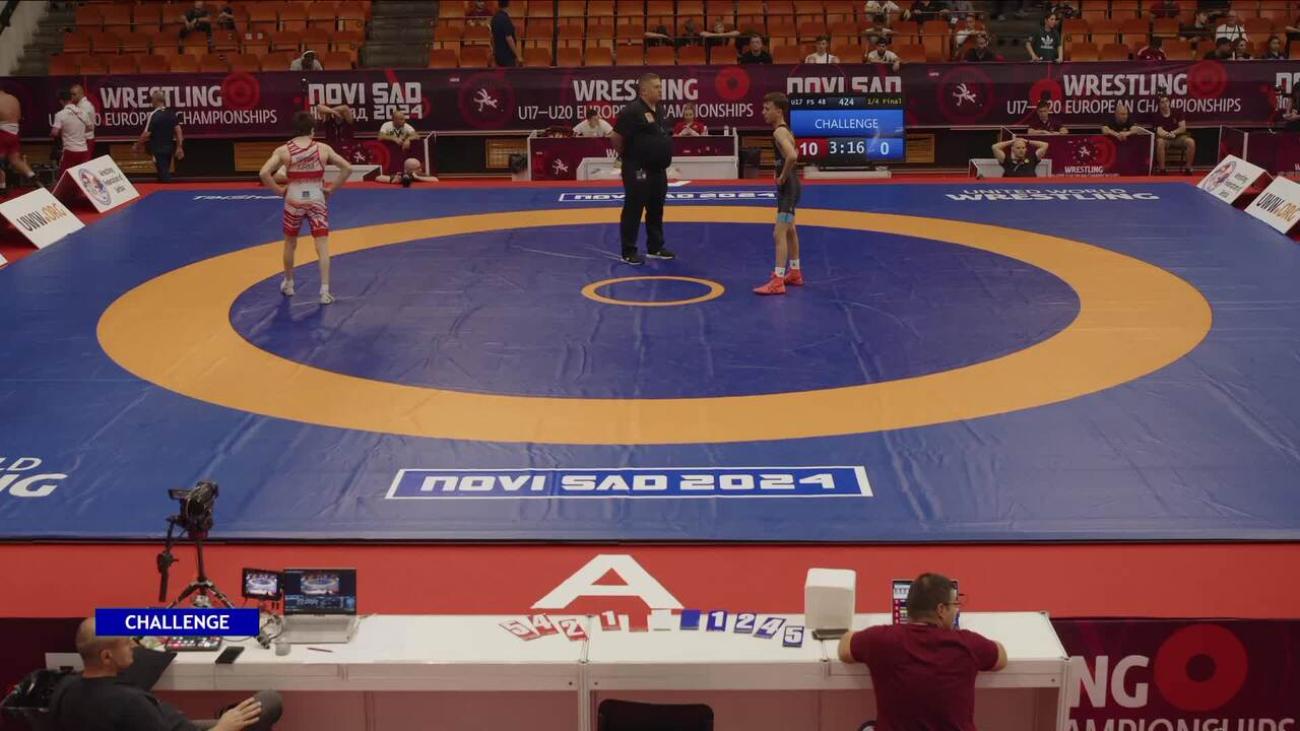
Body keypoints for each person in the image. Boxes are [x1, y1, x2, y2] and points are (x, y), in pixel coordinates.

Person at [837, 574, 1008, 731]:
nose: (956, 609)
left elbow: (844, 648)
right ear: (941, 610)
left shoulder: (881, 639)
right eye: (954, 605)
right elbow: (1001, 657)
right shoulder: (968, 644)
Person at [50, 617, 281, 731]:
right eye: (126, 643)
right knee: (270, 701)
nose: (133, 646)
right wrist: (223, 727)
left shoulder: (65, 690)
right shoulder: (130, 704)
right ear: (106, 657)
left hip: (173, 724)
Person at [259, 111, 352, 305]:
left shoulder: (283, 150)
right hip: (316, 197)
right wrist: (331, 189)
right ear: (312, 130)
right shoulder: (323, 148)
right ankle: (325, 291)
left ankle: (289, 283)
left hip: (294, 198)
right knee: (322, 245)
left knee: (290, 243)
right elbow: (347, 168)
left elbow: (264, 173)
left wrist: (278, 191)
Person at [611, 72, 676, 265]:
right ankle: (628, 250)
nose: (660, 90)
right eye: (656, 87)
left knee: (656, 207)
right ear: (644, 90)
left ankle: (655, 247)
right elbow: (616, 137)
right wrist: (629, 156)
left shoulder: (660, 110)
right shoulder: (632, 111)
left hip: (658, 169)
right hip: (638, 169)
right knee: (634, 207)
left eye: (660, 86)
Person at [753, 92, 803, 296]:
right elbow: (793, 153)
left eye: (767, 109)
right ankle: (795, 272)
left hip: (788, 188)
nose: (763, 112)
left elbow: (792, 156)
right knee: (790, 230)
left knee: (779, 233)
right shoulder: (785, 130)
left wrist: (782, 176)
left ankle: (778, 281)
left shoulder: (778, 132)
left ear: (779, 111)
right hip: (791, 186)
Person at [133, 90, 183, 182]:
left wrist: (138, 145)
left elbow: (146, 134)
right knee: (163, 172)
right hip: (169, 149)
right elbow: (178, 131)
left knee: (164, 175)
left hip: (158, 150)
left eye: (152, 100)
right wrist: (179, 147)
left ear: (155, 101)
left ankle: (168, 188)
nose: (151, 102)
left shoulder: (154, 115)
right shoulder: (171, 113)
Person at [0, 88, 40, 192]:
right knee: (15, 160)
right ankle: (32, 176)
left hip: (3, 133)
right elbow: (18, 117)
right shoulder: (14, 99)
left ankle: (2, 186)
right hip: (14, 133)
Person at [52, 89, 92, 181]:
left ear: (61, 101)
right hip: (83, 150)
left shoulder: (60, 114)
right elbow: (90, 128)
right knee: (82, 177)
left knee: (64, 177)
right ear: (71, 99)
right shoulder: (83, 113)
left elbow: (54, 133)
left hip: (69, 150)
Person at [1151, 94, 1195, 174]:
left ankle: (1188, 169)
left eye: (1166, 101)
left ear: (1169, 102)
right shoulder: (1156, 115)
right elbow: (1159, 131)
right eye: (1162, 102)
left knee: (1191, 142)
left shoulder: (1177, 112)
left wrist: (1173, 133)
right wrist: (1168, 135)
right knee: (1160, 142)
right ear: (1159, 105)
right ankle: (1162, 170)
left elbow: (1182, 128)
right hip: (1165, 138)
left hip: (1178, 137)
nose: (1165, 104)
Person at [70, 83, 96, 158]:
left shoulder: (85, 106)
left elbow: (88, 125)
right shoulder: (80, 105)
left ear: (81, 94)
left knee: (84, 163)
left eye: (74, 94)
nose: (72, 97)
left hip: (86, 140)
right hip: (82, 140)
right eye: (71, 94)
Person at [491, 0, 519, 67]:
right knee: (510, 73)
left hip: (498, 55)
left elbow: (492, 37)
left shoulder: (494, 18)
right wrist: (518, 55)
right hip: (507, 55)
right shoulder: (505, 19)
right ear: (508, 5)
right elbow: (509, 38)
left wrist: (494, 51)